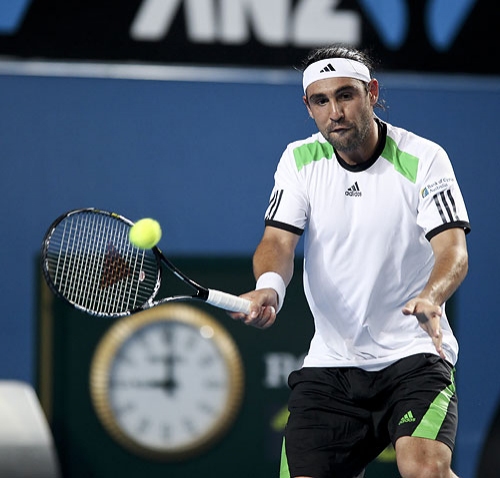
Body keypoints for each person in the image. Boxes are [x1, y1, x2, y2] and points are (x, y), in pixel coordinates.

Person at [231, 44, 470, 478]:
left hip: (414, 353)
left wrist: (432, 297)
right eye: (321, 101)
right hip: (333, 362)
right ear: (308, 107)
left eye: (346, 95)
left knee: (423, 468)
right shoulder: (299, 160)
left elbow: (453, 249)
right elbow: (278, 241)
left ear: (371, 93)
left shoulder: (424, 157)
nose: (335, 112)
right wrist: (269, 285)